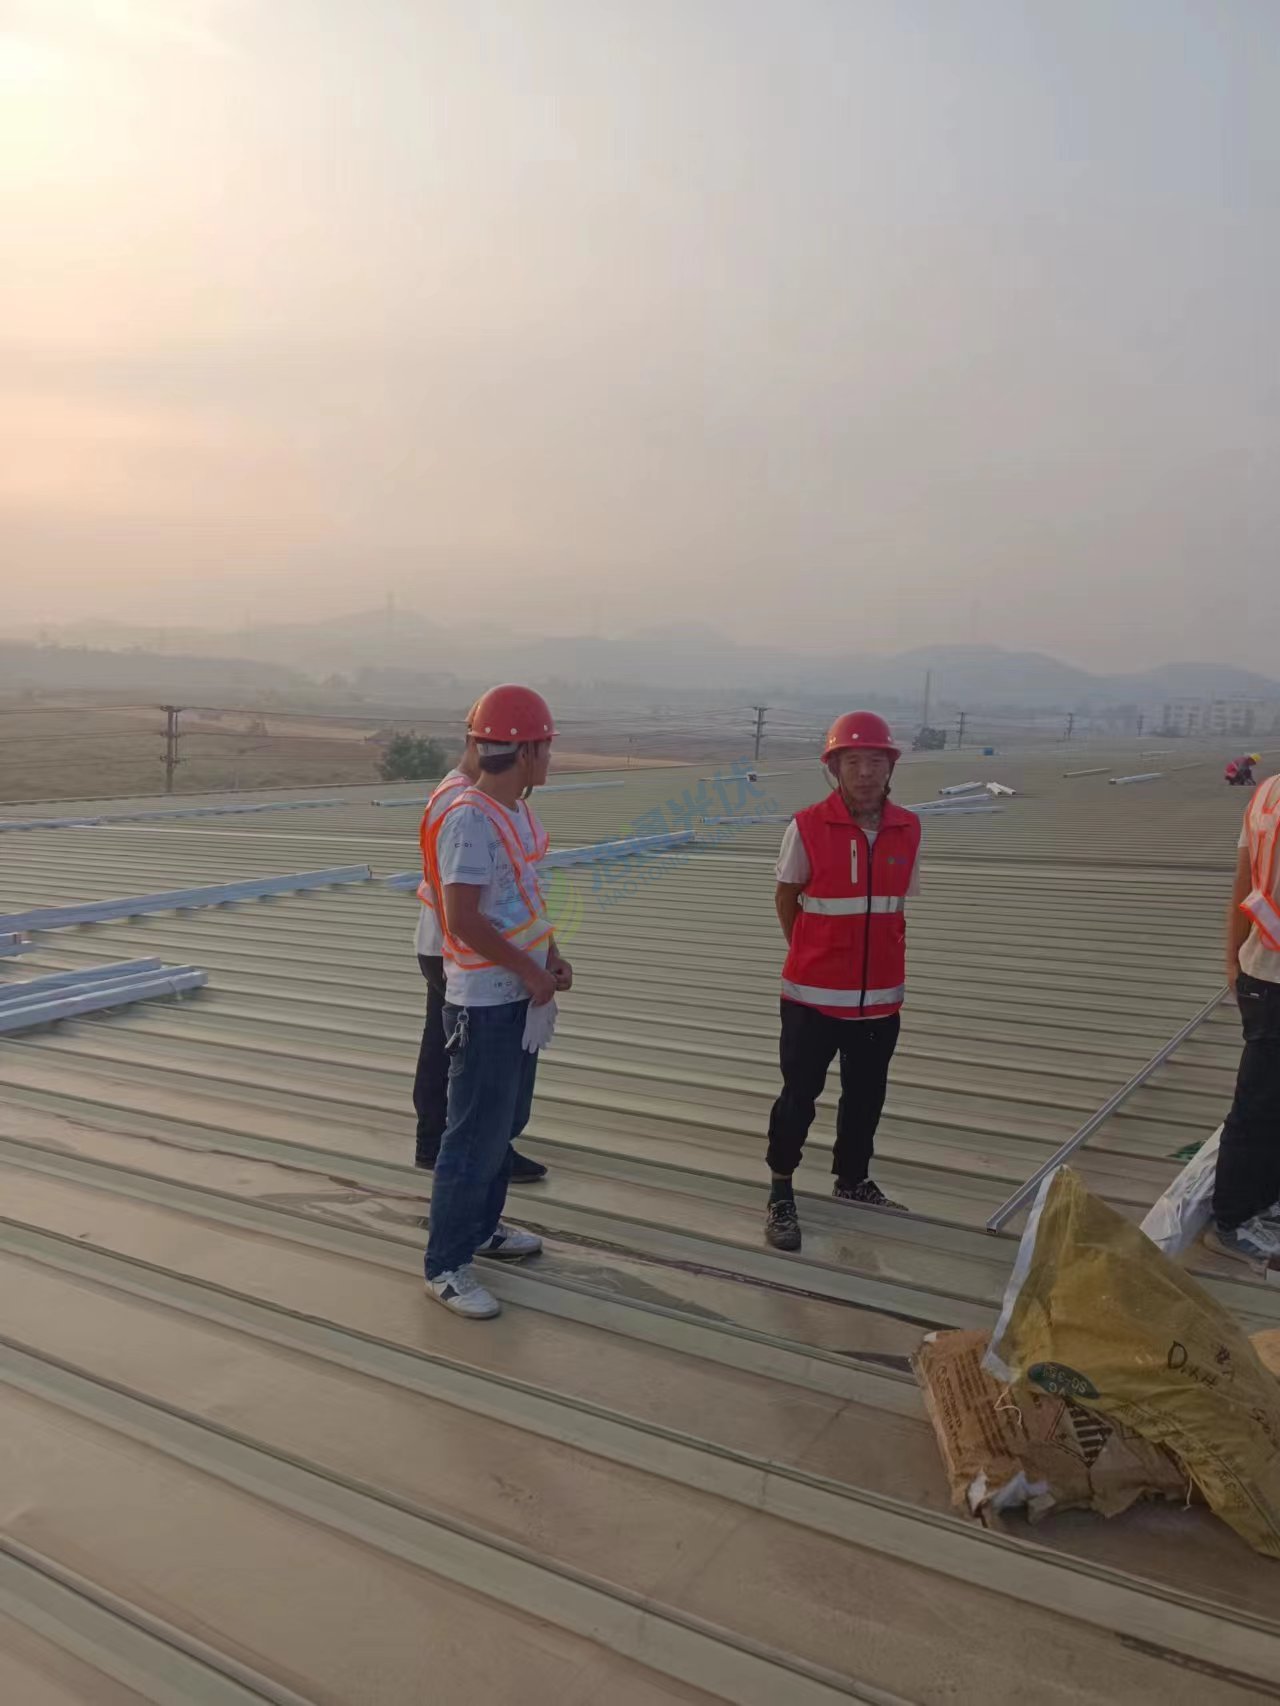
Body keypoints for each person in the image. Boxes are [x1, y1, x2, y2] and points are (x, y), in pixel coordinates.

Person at [422, 684, 573, 1318]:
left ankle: (483, 1230)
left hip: (521, 995)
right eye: (547, 748)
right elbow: (462, 919)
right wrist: (528, 971)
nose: (550, 759)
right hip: (484, 1003)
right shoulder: (470, 819)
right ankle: (446, 1266)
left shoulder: (513, 814)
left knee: (504, 1123)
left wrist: (551, 954)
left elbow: (523, 897)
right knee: (473, 1137)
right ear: (528, 750)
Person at [763, 711, 921, 1252]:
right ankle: (781, 1190)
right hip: (812, 999)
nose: (864, 772)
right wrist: (809, 953)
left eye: (875, 761)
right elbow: (786, 896)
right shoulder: (807, 826)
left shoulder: (908, 829)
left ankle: (853, 1179)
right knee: (798, 1097)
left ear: (890, 766)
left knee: (866, 1095)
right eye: (852, 761)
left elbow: (895, 906)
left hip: (880, 1001)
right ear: (834, 768)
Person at [413, 710, 548, 1183]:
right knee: (460, 1053)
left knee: (444, 1044)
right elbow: (461, 903)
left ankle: (446, 1143)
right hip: (454, 948)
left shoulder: (477, 798)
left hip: (452, 944)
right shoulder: (462, 804)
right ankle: (459, 1147)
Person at [1207, 769, 1280, 1265]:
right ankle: (1232, 1220)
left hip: (1260, 970)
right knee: (1259, 1107)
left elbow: (1244, 882)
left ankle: (1264, 1200)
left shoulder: (1267, 792)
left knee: (1265, 1103)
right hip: (1272, 981)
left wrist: (1233, 961)